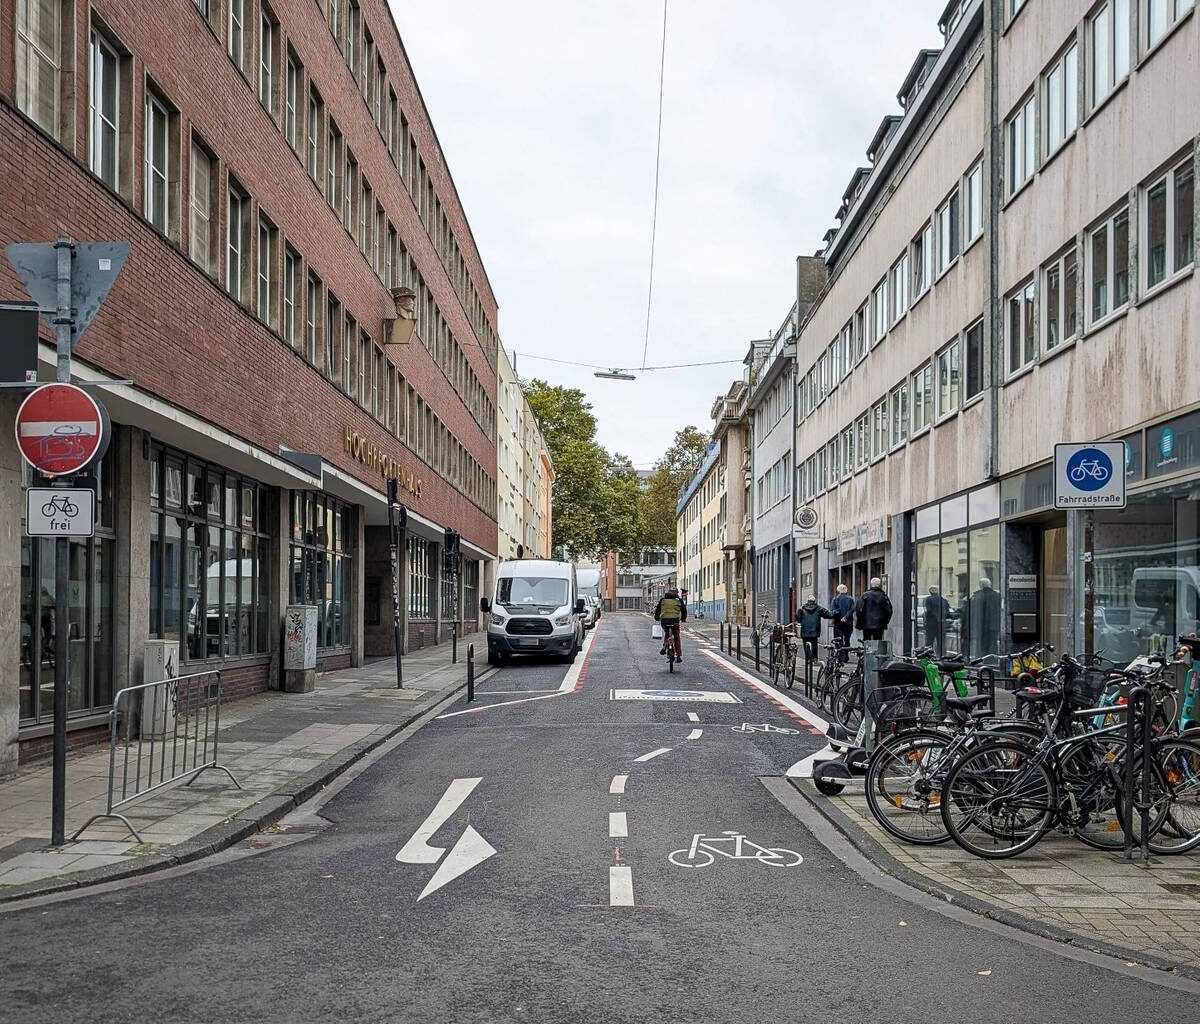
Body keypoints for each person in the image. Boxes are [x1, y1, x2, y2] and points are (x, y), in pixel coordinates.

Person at [796, 595, 834, 682]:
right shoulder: (819, 608)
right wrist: (837, 612)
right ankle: (815, 658)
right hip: (814, 631)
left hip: (805, 631)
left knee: (806, 645)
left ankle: (808, 659)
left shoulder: (802, 608)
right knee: (814, 644)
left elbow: (798, 618)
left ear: (808, 601)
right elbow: (828, 614)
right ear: (814, 601)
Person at [966, 578, 1001, 659]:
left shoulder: (977, 596)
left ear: (981, 586)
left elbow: (972, 611)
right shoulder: (997, 595)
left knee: (981, 643)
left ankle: (981, 658)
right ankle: (992, 659)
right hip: (993, 625)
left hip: (980, 624)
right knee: (993, 643)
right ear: (990, 585)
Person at [653, 586, 687, 662]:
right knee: (677, 637)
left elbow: (658, 610)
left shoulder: (663, 600)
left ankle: (665, 646)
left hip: (664, 621)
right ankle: (678, 656)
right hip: (675, 621)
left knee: (667, 633)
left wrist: (657, 617)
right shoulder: (679, 601)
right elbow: (684, 610)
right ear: (676, 593)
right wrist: (683, 618)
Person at [855, 577, 893, 643]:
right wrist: (885, 621)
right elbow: (889, 610)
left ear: (871, 584)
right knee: (878, 642)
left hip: (866, 624)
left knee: (867, 642)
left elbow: (858, 609)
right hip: (879, 624)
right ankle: (877, 653)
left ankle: (867, 653)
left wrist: (860, 621)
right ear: (879, 584)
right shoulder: (883, 596)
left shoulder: (865, 595)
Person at [923, 585, 954, 656]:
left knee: (929, 641)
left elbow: (929, 611)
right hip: (941, 623)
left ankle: (928, 656)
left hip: (931, 624)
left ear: (930, 592)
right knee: (941, 642)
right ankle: (941, 655)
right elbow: (947, 613)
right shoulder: (943, 600)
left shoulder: (928, 599)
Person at [829, 583, 855, 663]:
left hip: (838, 622)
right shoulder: (851, 599)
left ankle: (840, 657)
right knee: (847, 639)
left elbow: (833, 611)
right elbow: (852, 609)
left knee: (838, 640)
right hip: (848, 622)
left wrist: (840, 617)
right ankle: (846, 657)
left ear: (838, 590)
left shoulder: (835, 599)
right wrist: (846, 617)